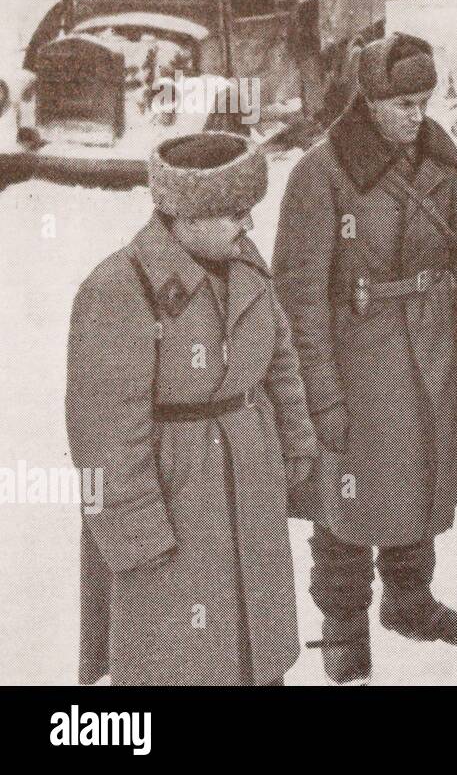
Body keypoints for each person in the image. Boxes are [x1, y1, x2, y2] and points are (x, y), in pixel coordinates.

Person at [273, 33, 457, 684]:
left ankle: (410, 601)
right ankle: (343, 632)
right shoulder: (321, 171)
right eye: (402, 103)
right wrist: (323, 396)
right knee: (345, 500)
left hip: (430, 353)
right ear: (368, 101)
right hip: (356, 361)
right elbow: (298, 295)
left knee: (419, 481)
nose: (416, 115)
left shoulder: (436, 157)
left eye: (423, 101)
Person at [68, 132, 316, 685]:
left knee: (257, 647)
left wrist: (294, 453)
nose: (248, 226)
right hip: (172, 499)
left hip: (248, 479)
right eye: (233, 213)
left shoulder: (246, 267)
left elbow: (281, 365)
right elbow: (102, 435)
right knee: (179, 658)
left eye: (249, 210)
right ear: (184, 214)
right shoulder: (119, 288)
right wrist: (136, 534)